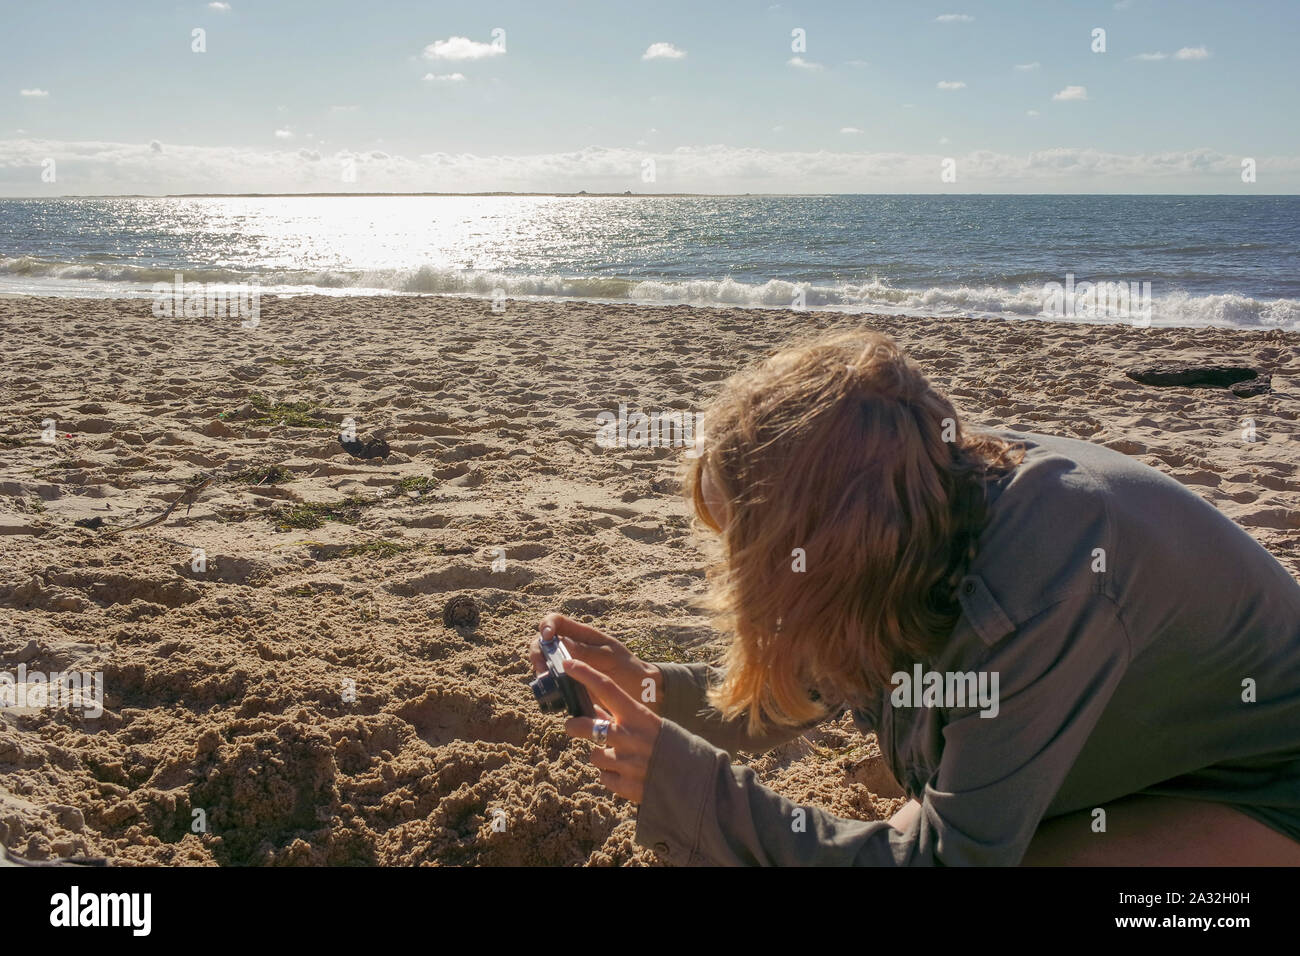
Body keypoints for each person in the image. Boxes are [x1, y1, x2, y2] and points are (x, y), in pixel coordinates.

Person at [530, 331, 1300, 865]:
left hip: (1269, 791)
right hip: (1133, 761)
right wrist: (658, 694)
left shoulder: (1044, 579)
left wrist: (686, 786)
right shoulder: (917, 491)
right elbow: (820, 674)